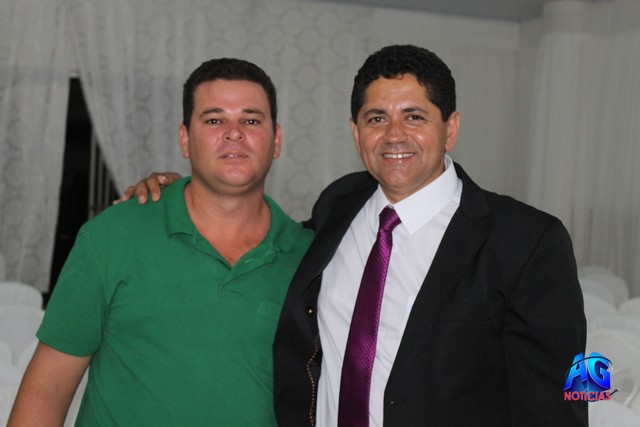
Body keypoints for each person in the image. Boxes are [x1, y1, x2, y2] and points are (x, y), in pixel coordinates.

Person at [116, 45, 588, 426]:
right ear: (356, 132)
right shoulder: (340, 204)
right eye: (376, 118)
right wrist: (178, 192)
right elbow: (259, 238)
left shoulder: (529, 240)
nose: (394, 135)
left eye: (415, 116)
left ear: (451, 128)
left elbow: (569, 397)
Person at [8, 58, 313, 426]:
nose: (234, 133)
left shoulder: (312, 257)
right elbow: (47, 390)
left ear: (276, 140)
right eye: (214, 120)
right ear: (185, 139)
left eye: (251, 120)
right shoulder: (113, 236)